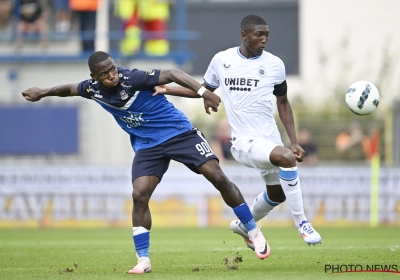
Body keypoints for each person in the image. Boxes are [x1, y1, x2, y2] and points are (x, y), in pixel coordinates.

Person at [21, 51, 271, 274]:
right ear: (94, 76)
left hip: (179, 134)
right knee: (139, 194)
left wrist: (204, 92)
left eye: (113, 69)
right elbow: (70, 88)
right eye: (105, 73)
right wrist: (43, 93)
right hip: (148, 146)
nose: (112, 75)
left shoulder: (133, 79)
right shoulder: (92, 89)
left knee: (216, 176)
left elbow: (172, 73)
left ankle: (252, 230)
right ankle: (143, 260)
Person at [153, 14, 322, 248]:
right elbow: (203, 90)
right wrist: (167, 89)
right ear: (244, 35)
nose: (264, 40)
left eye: (267, 35)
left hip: (269, 140)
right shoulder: (222, 60)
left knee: (278, 194)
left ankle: (246, 225)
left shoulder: (275, 64)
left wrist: (293, 140)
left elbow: (283, 102)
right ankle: (302, 223)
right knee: (285, 158)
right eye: (259, 35)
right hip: (243, 142)